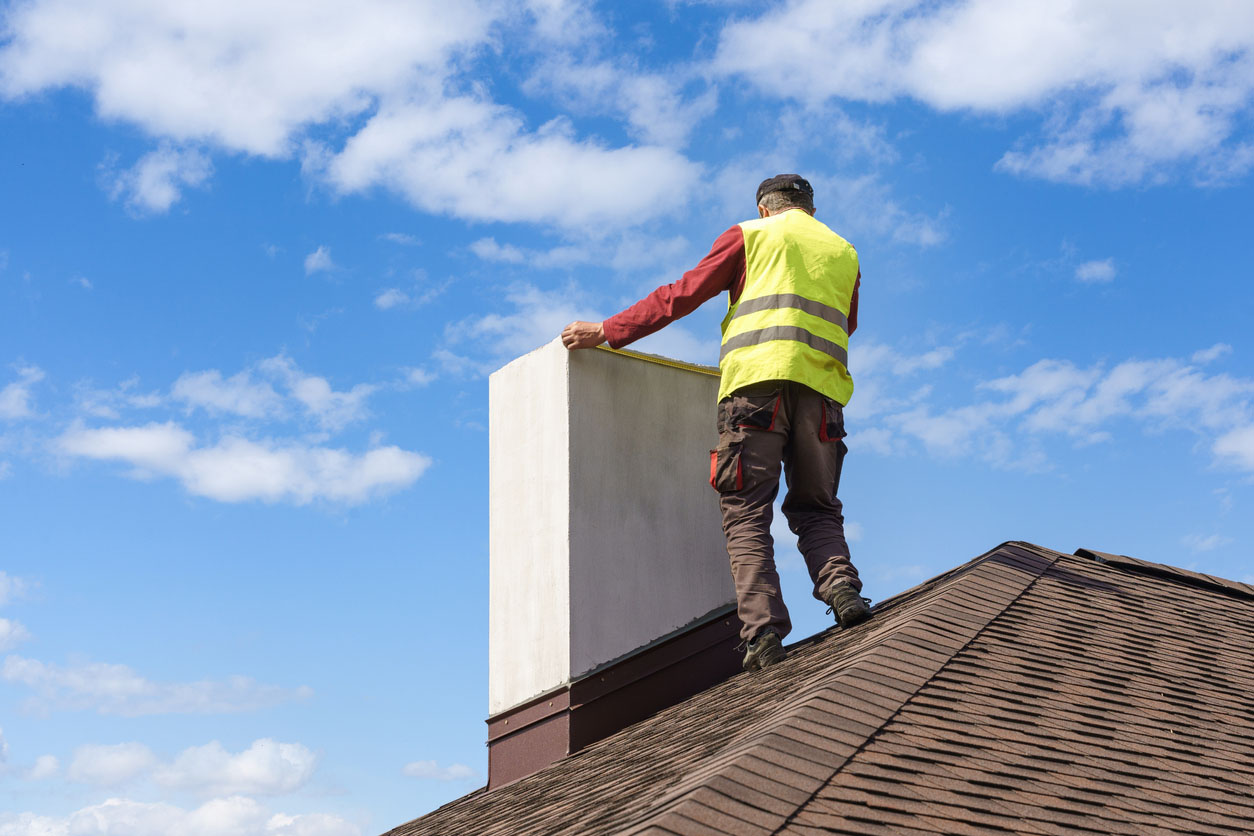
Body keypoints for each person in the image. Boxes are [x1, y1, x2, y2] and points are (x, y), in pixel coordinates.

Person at [561, 174, 869, 671]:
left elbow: (682, 294)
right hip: (823, 397)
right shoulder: (844, 252)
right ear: (809, 210)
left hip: (754, 391)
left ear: (765, 209)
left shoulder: (750, 235)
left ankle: (764, 632)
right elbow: (846, 324)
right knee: (817, 507)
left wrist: (608, 330)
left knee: (746, 510)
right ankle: (842, 590)